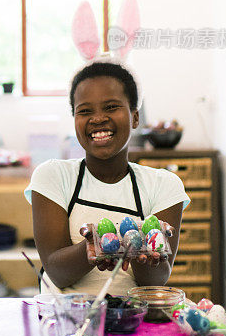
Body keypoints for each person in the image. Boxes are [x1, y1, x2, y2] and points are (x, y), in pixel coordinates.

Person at [25, 60, 190, 297]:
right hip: (66, 323)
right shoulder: (53, 176)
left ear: (134, 117)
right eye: (84, 111)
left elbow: (156, 280)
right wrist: (95, 247)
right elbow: (56, 272)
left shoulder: (163, 185)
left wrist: (141, 247)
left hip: (133, 321)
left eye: (111, 107)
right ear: (74, 121)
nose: (98, 118)